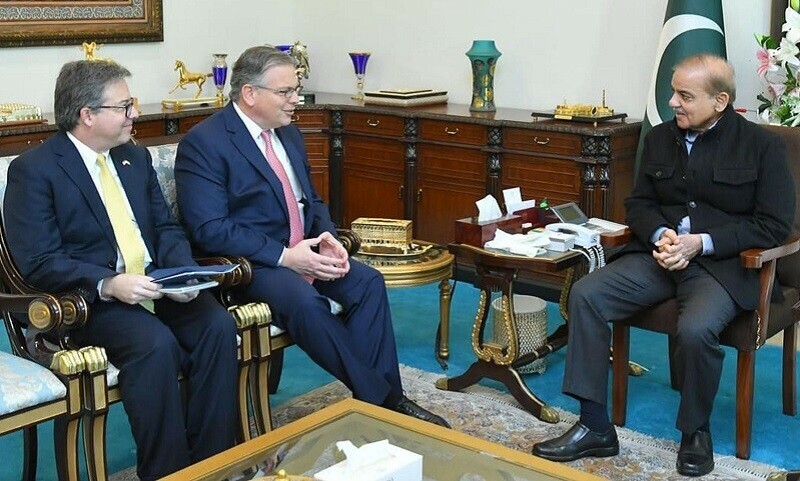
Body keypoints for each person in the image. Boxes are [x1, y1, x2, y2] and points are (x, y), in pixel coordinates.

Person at [531, 54, 795, 477]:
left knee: (695, 329)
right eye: (673, 91)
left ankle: (695, 432)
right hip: (658, 257)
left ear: (720, 100)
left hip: (721, 267)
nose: (673, 102)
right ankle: (595, 426)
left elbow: (774, 224)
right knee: (588, 294)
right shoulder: (659, 139)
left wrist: (700, 244)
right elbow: (640, 203)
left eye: (685, 95)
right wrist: (660, 235)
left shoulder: (761, 146)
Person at [174, 45, 449, 428]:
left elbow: (309, 198)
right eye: (285, 92)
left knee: (367, 282)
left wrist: (326, 235)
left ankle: (379, 400)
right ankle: (386, 402)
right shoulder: (205, 143)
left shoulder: (288, 133)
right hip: (253, 263)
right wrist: (286, 257)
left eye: (296, 90)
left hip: (307, 249)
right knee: (305, 303)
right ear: (250, 94)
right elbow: (209, 228)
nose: (296, 100)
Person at [3, 60, 239, 481]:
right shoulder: (34, 171)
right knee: (154, 344)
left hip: (152, 284)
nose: (135, 114)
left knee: (215, 325)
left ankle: (214, 463)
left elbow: (164, 227)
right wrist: (108, 284)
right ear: (87, 115)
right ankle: (167, 473)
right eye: (125, 106)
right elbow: (37, 261)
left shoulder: (132, 157)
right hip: (87, 302)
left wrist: (184, 274)